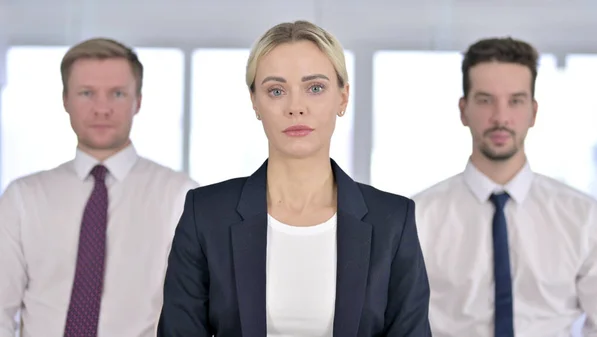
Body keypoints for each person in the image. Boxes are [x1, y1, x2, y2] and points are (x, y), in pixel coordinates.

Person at [157, 20, 431, 337]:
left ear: (343, 97)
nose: (295, 107)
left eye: (315, 88)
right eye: (276, 91)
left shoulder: (393, 220)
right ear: (255, 102)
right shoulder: (205, 214)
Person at [0, 38, 199, 337]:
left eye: (117, 93)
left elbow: (194, 310)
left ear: (138, 101)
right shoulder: (22, 198)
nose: (102, 108)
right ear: (65, 99)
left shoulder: (180, 196)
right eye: (86, 93)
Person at [413, 37, 597, 336]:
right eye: (485, 100)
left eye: (515, 101)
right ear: (463, 110)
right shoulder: (418, 218)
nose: (501, 118)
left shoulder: (585, 218)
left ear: (533, 112)